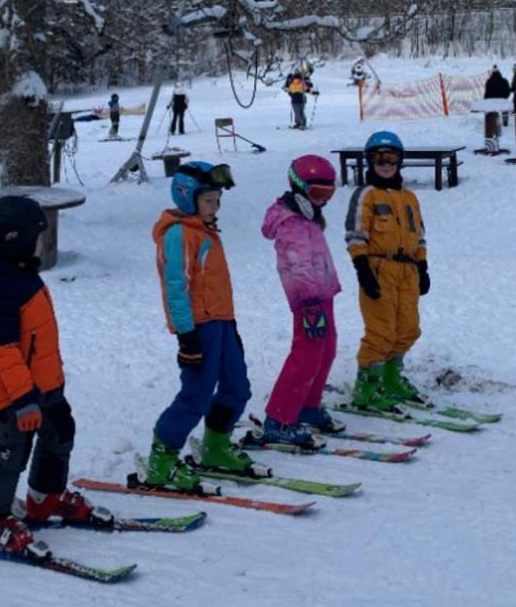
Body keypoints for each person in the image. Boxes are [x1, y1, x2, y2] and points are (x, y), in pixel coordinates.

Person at [0, 196, 94, 554]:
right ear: (13, 239)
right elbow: (3, 352)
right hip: (16, 394)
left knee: (60, 431)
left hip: (43, 384)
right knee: (12, 451)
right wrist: (22, 400)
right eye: (37, 237)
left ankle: (45, 496)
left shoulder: (16, 273)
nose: (41, 245)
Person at [143, 161, 253, 490]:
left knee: (237, 386)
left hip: (221, 324)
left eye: (218, 200)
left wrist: (230, 325)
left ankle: (216, 446)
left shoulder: (207, 231)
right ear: (187, 198)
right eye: (208, 200)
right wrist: (186, 335)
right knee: (197, 394)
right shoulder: (178, 235)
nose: (215, 207)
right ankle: (161, 458)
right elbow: (175, 288)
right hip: (198, 328)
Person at [345, 130, 431, 411]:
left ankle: (391, 378)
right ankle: (367, 388)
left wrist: (422, 266)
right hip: (378, 268)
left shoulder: (409, 198)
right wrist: (362, 268)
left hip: (407, 270)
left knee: (408, 329)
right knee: (381, 331)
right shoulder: (366, 195)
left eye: (392, 158)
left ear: (399, 161)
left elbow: (418, 235)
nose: (386, 164)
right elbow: (355, 234)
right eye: (380, 158)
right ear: (370, 161)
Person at [260, 155, 343, 445]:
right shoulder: (291, 223)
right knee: (305, 357)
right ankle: (279, 419)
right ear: (299, 187)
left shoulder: (306, 215)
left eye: (328, 194)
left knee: (326, 350)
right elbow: (298, 267)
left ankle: (308, 406)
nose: (323, 201)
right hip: (309, 302)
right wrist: (309, 305)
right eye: (318, 193)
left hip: (322, 295)